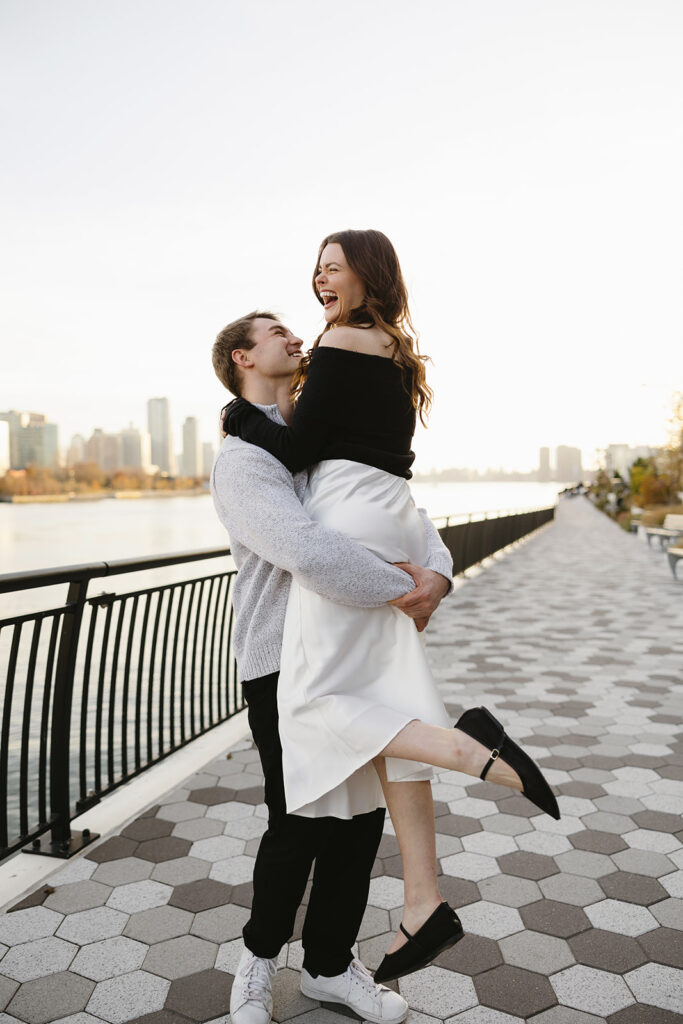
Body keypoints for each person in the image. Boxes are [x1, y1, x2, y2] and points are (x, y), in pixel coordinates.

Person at [223, 229, 561, 984]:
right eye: (313, 271)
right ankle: (422, 902)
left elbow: (305, 454)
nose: (317, 284)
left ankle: (470, 750)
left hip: (353, 524)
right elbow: (384, 485)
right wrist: (427, 575)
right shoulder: (391, 350)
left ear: (365, 274)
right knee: (388, 713)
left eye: (331, 268)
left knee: (311, 705)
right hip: (390, 511)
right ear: (246, 357)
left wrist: (237, 416)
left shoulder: (342, 338)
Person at [210, 310, 455, 1024]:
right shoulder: (245, 460)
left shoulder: (314, 442)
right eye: (275, 332)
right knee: (299, 820)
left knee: (359, 819)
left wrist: (437, 574)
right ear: (241, 358)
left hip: (355, 652)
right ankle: (256, 964)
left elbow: (394, 509)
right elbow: (308, 552)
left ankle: (326, 967)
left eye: (294, 327)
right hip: (283, 662)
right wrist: (400, 588)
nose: (297, 336)